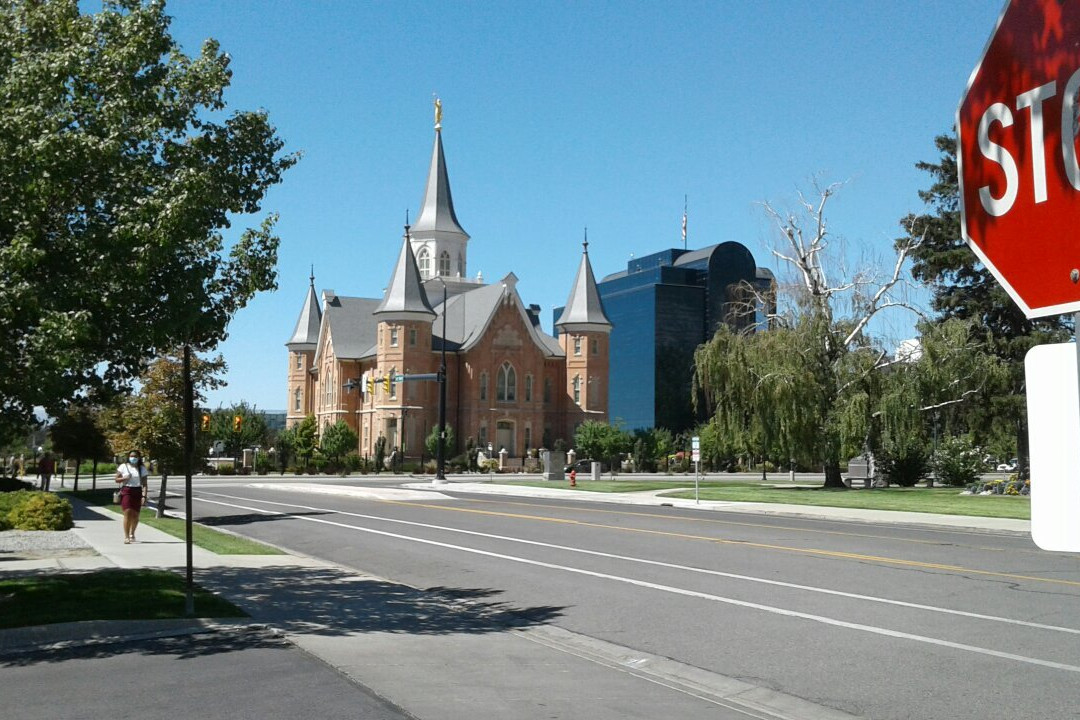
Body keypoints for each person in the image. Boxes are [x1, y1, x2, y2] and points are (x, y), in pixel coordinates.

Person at [115, 450, 149, 544]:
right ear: (128, 457)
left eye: (135, 456)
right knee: (127, 512)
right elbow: (116, 479)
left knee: (135, 515)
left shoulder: (142, 468)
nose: (133, 458)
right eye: (131, 456)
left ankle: (132, 533)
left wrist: (144, 496)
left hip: (137, 491)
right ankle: (126, 537)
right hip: (127, 491)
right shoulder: (123, 466)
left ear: (138, 458)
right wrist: (124, 478)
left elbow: (145, 484)